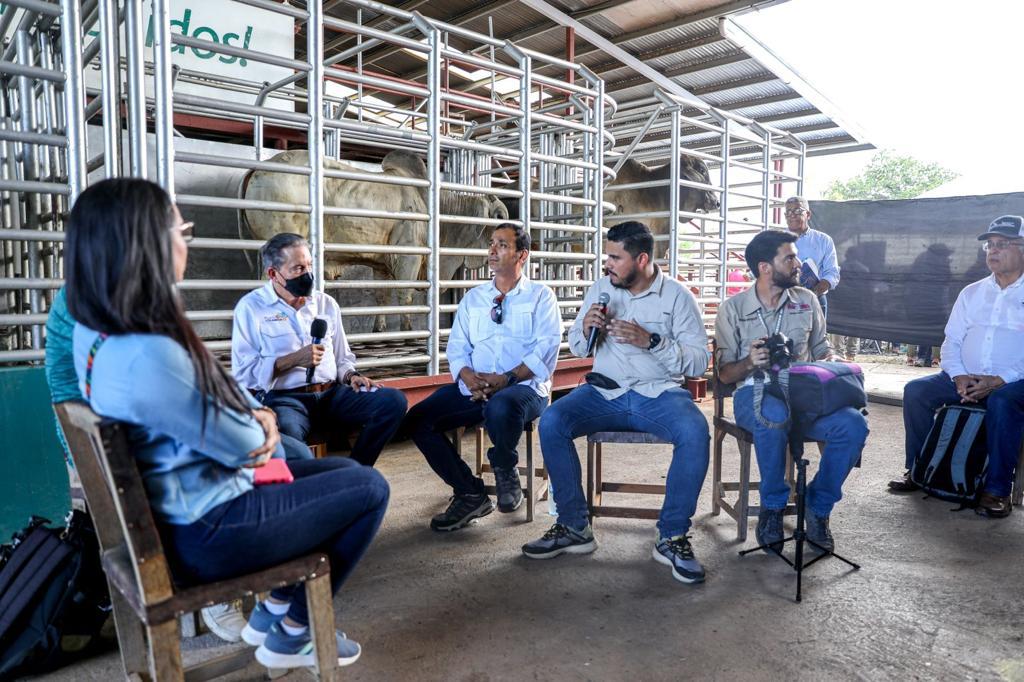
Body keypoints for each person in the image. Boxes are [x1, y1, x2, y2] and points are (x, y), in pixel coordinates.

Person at [65, 178, 389, 670]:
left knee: (339, 475)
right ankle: (293, 629)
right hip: (207, 529)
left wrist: (255, 420)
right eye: (182, 230)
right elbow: (245, 443)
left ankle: (277, 607)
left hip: (183, 506)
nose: (185, 242)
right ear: (143, 243)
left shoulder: (96, 333)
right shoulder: (150, 352)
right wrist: (262, 421)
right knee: (369, 490)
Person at [521, 221, 711, 585]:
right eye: (607, 256)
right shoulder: (602, 289)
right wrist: (585, 327)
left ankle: (671, 536)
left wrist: (652, 341)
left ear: (641, 259)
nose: (607, 264)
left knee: (695, 430)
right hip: (603, 393)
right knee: (552, 422)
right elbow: (577, 347)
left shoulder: (677, 296)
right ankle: (574, 528)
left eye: (614, 257)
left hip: (658, 394)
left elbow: (700, 361)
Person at [715, 230, 868, 554]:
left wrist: (833, 359)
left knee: (853, 424)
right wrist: (750, 362)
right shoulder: (733, 308)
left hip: (806, 392)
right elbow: (725, 373)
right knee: (772, 414)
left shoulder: (807, 299)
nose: (799, 263)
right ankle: (773, 506)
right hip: (754, 392)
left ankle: (818, 506)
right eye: (790, 257)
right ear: (765, 267)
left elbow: (821, 348)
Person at [406, 223, 562, 531]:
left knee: (501, 406)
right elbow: (458, 346)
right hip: (475, 388)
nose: (492, 250)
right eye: (492, 243)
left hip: (524, 388)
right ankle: (469, 492)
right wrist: (467, 376)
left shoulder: (541, 297)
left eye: (502, 245)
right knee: (418, 420)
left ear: (522, 255)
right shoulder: (474, 298)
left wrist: (506, 379)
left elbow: (546, 348)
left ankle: (504, 467)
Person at [231, 233, 407, 466]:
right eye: (298, 269)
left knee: (392, 401)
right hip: (286, 400)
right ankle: (311, 491)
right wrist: (292, 360)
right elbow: (243, 374)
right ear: (273, 274)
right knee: (290, 445)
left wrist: (351, 376)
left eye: (309, 266)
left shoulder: (325, 304)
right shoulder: (251, 308)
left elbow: (343, 357)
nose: (308, 275)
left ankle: (354, 472)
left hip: (331, 395)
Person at [890, 215, 1024, 518]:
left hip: (1014, 382)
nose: (993, 251)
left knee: (1003, 402)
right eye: (989, 245)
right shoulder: (973, 292)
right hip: (968, 376)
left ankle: (997, 490)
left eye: (1002, 244)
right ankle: (919, 469)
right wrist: (959, 375)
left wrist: (998, 380)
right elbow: (951, 340)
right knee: (916, 391)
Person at [785, 196, 839, 321]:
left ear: (808, 214)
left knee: (816, 339)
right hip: (784, 300)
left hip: (815, 299)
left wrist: (813, 293)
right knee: (784, 339)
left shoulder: (824, 240)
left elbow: (832, 273)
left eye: (797, 211)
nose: (792, 215)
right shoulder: (775, 240)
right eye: (788, 212)